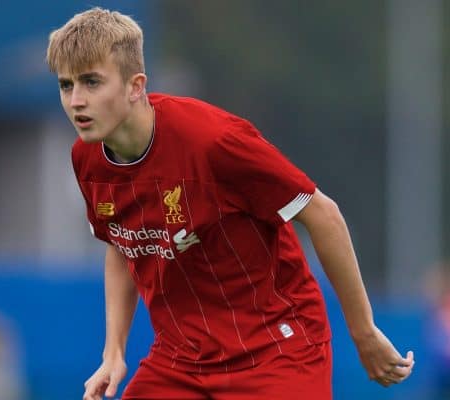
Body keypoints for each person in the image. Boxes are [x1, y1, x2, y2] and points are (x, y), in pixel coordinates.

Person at [46, 7, 414, 400]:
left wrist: (364, 333)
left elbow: (323, 214)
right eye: (66, 86)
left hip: (276, 351)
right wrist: (113, 353)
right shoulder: (86, 159)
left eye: (91, 82)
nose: (76, 101)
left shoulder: (214, 143)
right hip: (181, 359)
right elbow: (120, 244)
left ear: (136, 86)